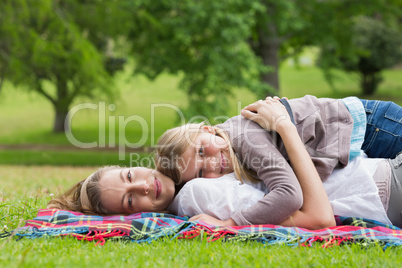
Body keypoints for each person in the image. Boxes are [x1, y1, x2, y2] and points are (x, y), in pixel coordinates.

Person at [155, 95, 402, 226]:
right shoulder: (232, 150)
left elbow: (288, 194)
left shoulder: (243, 136)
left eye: (200, 151)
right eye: (199, 173)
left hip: (372, 127)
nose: (209, 163)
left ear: (207, 130)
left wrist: (230, 222)